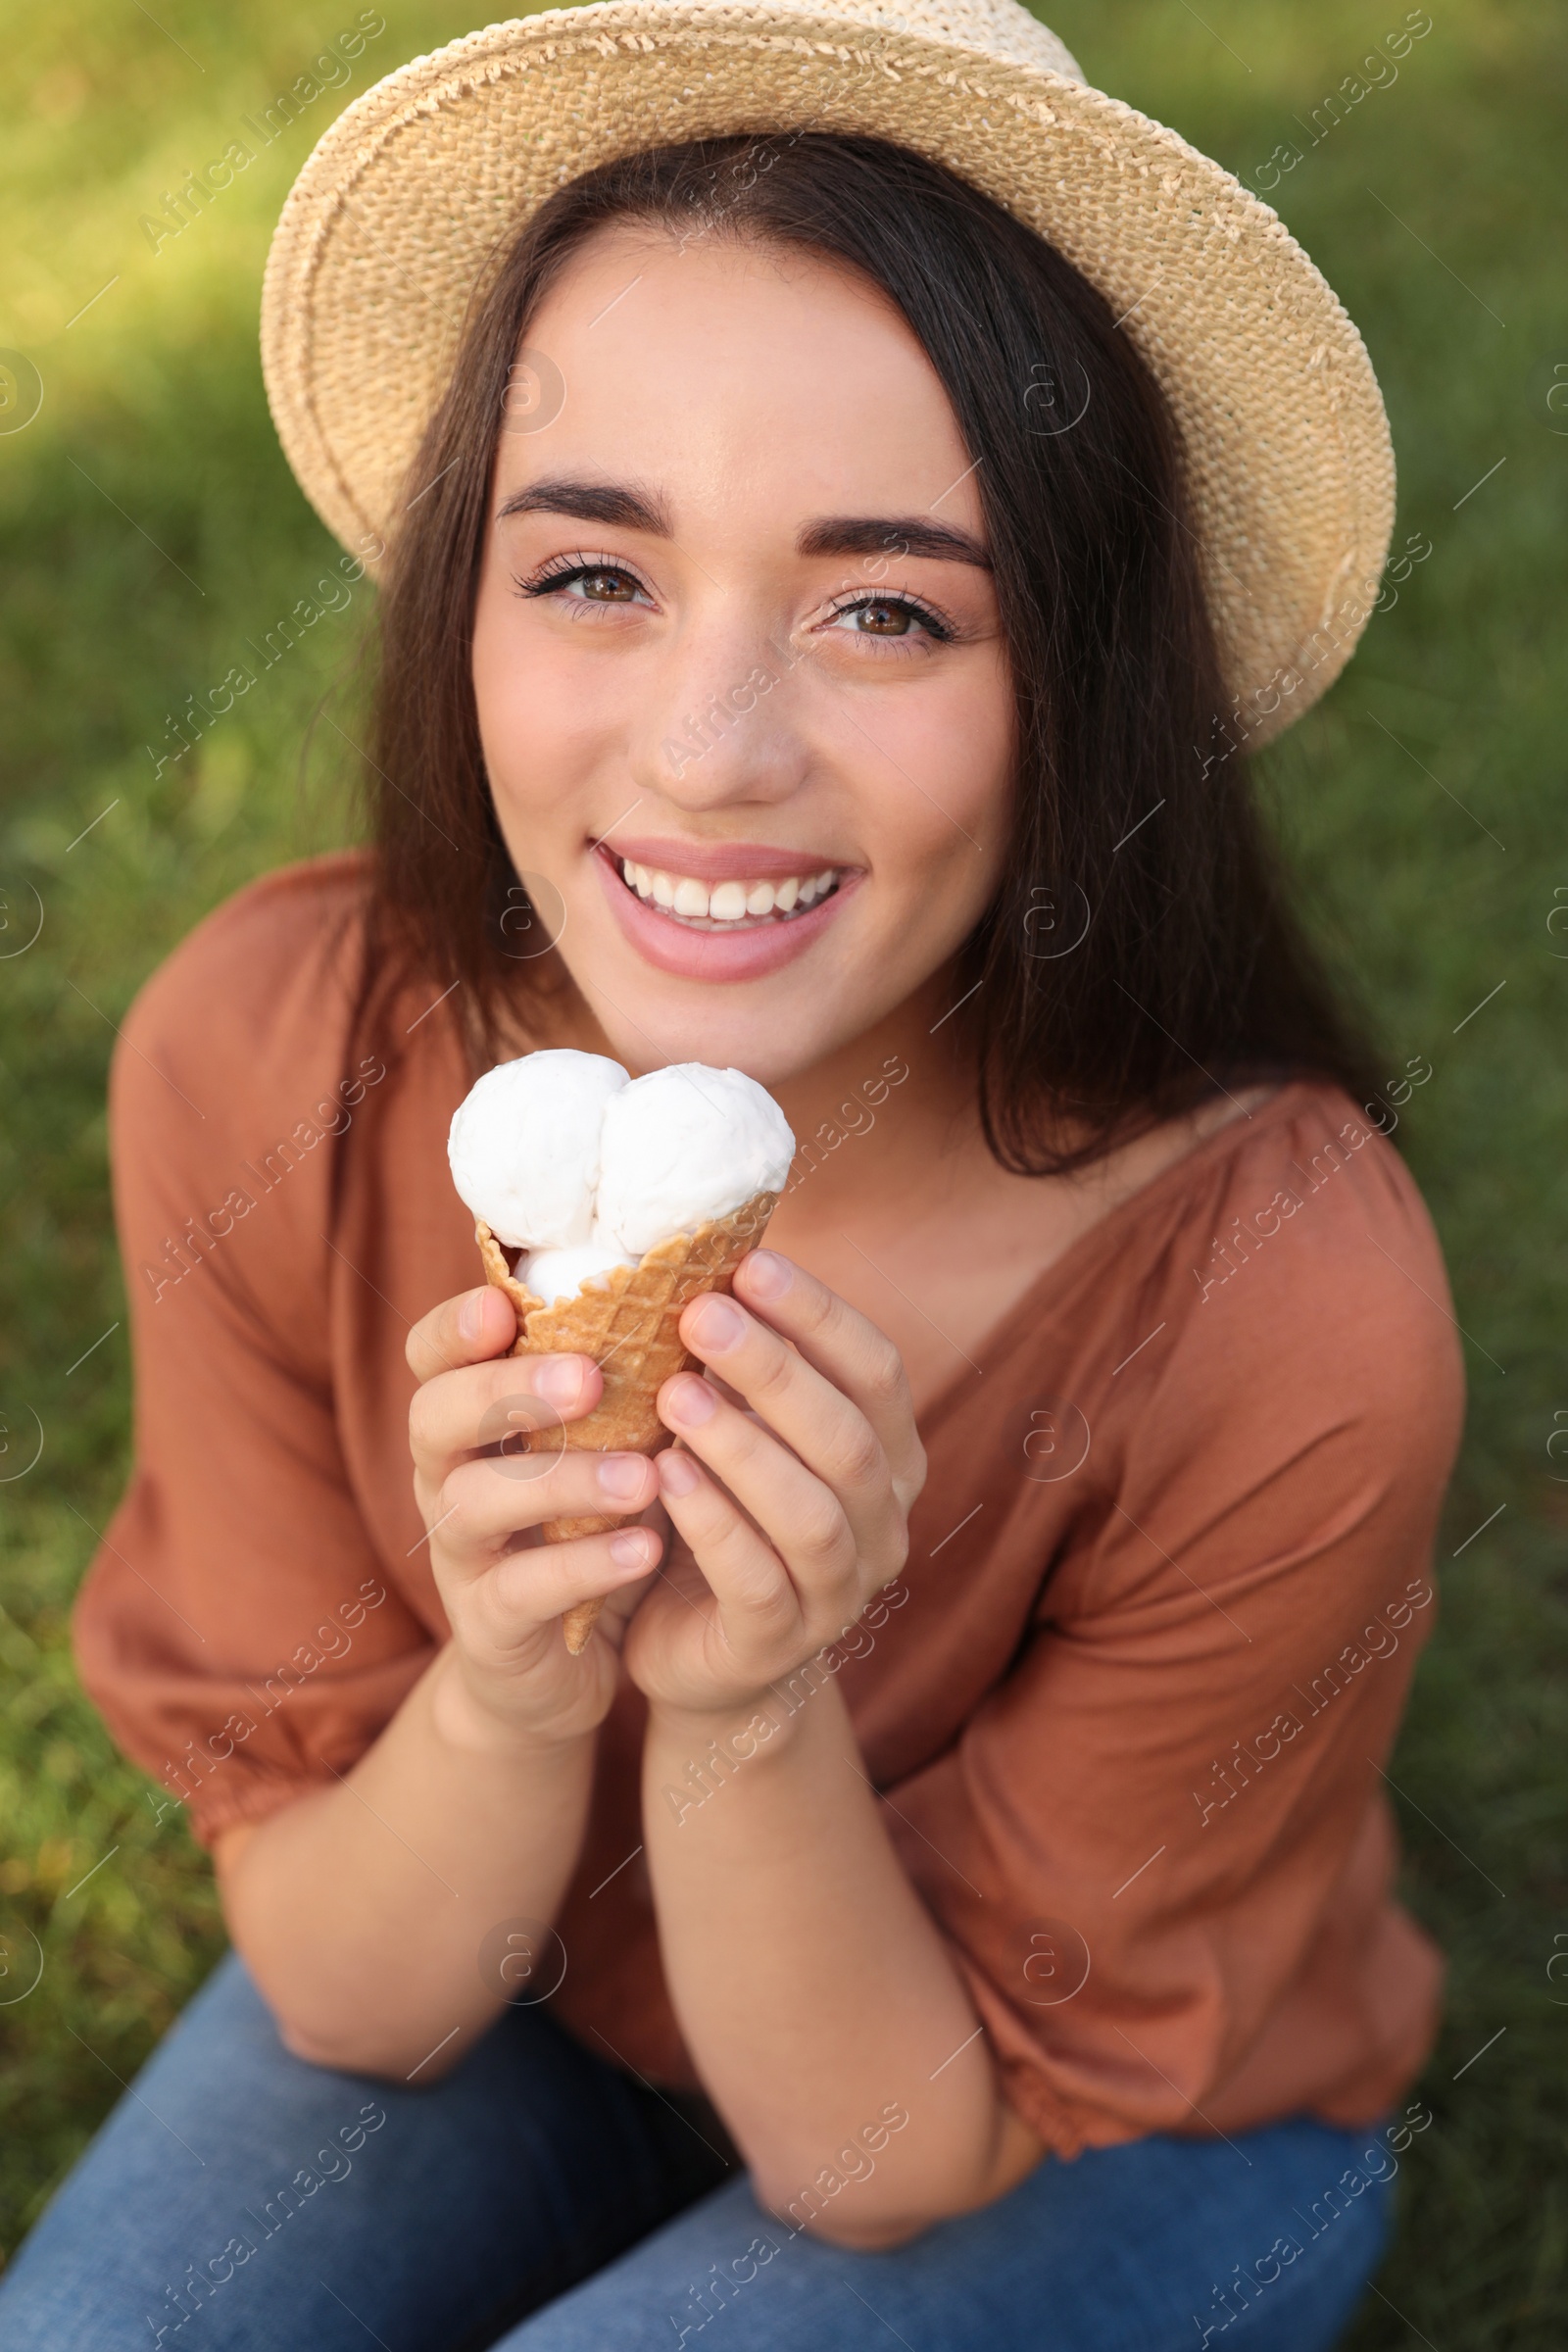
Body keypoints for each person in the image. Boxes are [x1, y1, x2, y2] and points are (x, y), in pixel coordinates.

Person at [0, 4, 1462, 2346]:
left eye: (887, 606)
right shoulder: (269, 1061)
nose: (709, 751)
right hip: (531, 1987)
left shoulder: (1272, 1299)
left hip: (1074, 2123)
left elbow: (882, 2163)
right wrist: (499, 1679)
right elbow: (366, 1999)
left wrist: (756, 1706)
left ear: (1075, 676)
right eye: (593, 572)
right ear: (461, 605)